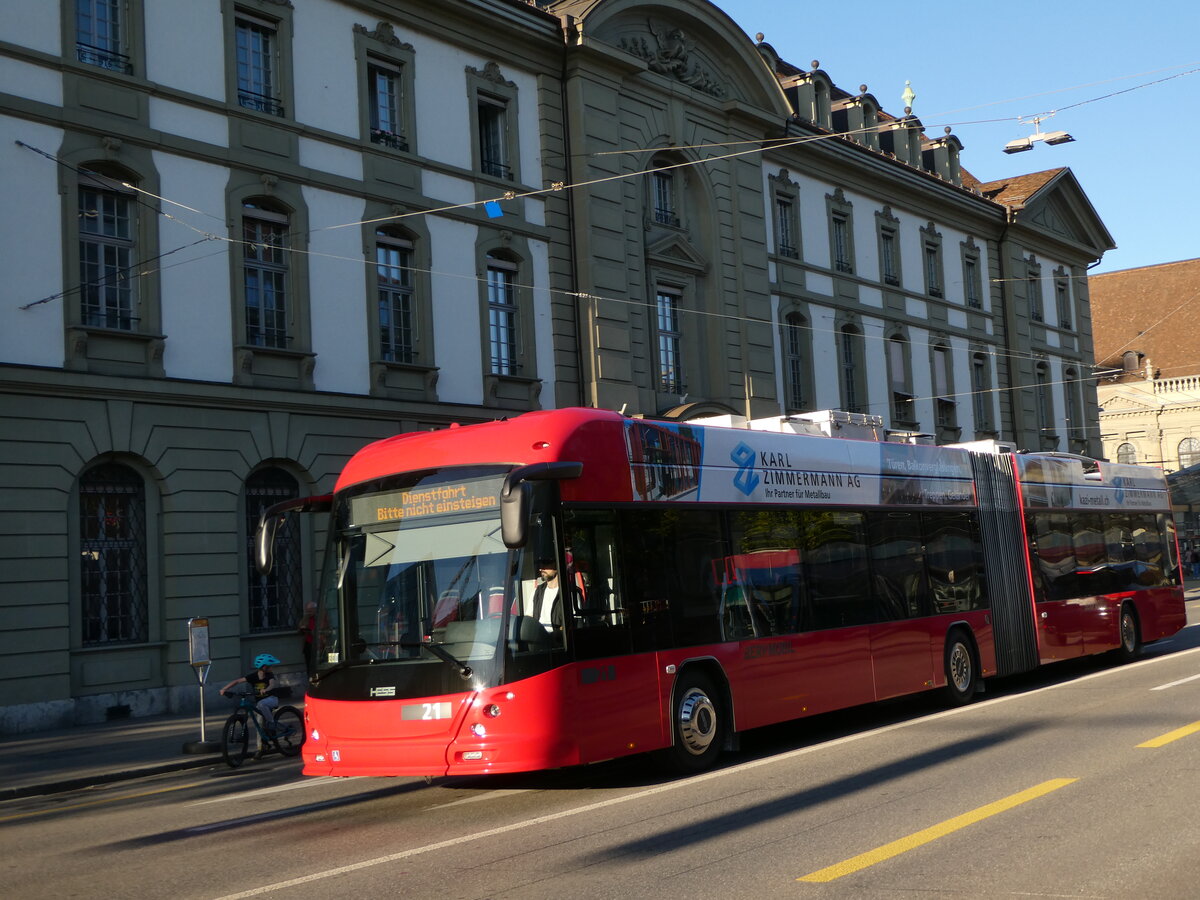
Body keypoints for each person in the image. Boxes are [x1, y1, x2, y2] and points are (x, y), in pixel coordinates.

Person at [221, 653, 282, 754]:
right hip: (260, 704)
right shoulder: (253, 676)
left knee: (261, 705)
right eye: (270, 666)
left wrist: (266, 689)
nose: (272, 668)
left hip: (272, 699)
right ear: (264, 667)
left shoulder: (269, 675)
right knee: (259, 726)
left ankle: (271, 723)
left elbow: (272, 684)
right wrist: (225, 689)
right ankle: (260, 749)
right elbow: (237, 681)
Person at [528, 558, 563, 628]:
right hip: (539, 635)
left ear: (557, 565)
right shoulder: (537, 592)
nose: (541, 569)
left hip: (559, 637)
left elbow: (575, 621)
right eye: (540, 565)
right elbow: (529, 617)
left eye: (545, 564)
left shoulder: (569, 592)